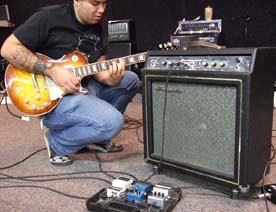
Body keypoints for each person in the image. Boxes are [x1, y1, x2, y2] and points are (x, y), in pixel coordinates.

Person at [0, 0, 141, 166]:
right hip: (53, 98)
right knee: (113, 123)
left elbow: (101, 74)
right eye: (95, 3)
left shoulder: (96, 28)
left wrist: (113, 78)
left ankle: (94, 137)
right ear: (77, 1)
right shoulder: (49, 17)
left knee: (131, 80)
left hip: (83, 89)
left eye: (104, 4)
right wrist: (52, 70)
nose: (101, 10)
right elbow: (8, 49)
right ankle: (57, 142)